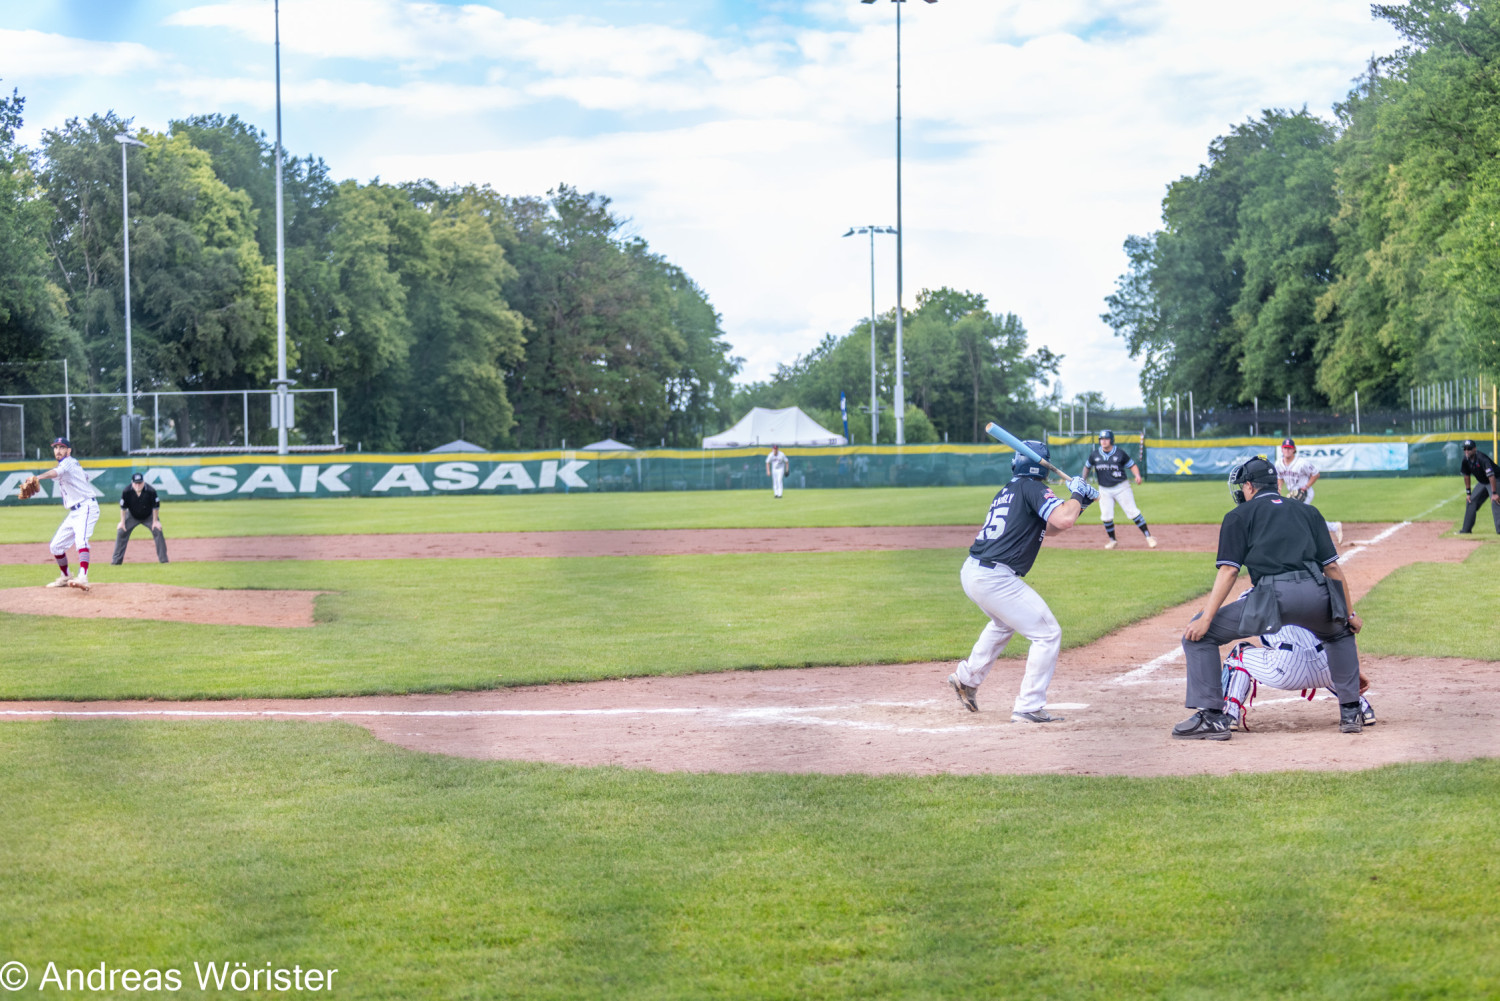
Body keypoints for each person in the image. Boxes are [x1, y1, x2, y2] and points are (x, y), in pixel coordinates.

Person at [1174, 454, 1365, 740]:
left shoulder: (1238, 515)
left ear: (1249, 487)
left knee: (1200, 634)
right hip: (1315, 593)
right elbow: (1333, 568)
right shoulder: (1307, 511)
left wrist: (1206, 619)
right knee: (1340, 634)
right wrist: (1348, 615)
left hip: (1270, 599)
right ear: (1275, 484)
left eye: (1243, 486)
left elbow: (1228, 571)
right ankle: (1351, 712)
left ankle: (1213, 717)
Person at [948, 441, 1099, 722]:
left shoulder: (1011, 488)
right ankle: (1029, 706)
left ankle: (966, 679)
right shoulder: (1033, 487)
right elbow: (1064, 521)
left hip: (976, 571)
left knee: (1004, 624)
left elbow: (1051, 527)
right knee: (1048, 633)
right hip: (994, 577)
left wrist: (1082, 504)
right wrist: (1077, 492)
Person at [1220, 621, 1375, 731]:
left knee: (1240, 651)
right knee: (1329, 651)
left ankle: (1229, 714)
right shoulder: (1318, 590)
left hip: (1284, 672)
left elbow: (1227, 624)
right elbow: (1346, 631)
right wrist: (1353, 668)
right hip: (1326, 669)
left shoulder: (1256, 594)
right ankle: (1359, 706)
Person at [33, 436, 99, 591]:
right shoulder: (68, 465)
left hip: (86, 507)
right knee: (56, 546)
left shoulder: (68, 462)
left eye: (62, 447)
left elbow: (56, 472)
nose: (58, 450)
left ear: (69, 450)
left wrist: (38, 477)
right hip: (75, 512)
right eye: (56, 447)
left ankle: (83, 576)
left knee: (81, 541)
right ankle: (66, 576)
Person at [1080, 428, 1156, 549]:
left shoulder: (1120, 453)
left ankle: (1149, 537)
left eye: (1106, 439)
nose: (1103, 441)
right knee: (1106, 515)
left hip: (1121, 487)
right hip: (1104, 489)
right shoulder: (1095, 455)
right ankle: (1112, 540)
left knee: (1132, 512)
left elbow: (1132, 465)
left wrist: (1137, 475)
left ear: (1111, 440)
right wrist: (1083, 480)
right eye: (1101, 439)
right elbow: (1087, 467)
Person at [1274, 438, 1344, 546]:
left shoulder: (1302, 463)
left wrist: (1306, 486)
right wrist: (1279, 488)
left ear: (1294, 450)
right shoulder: (1278, 463)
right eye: (1285, 448)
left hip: (1305, 494)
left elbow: (1316, 474)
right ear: (1282, 450)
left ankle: (1308, 540)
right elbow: (1280, 477)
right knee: (1303, 517)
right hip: (1293, 494)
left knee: (1295, 515)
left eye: (1289, 448)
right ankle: (1333, 527)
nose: (1287, 450)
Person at [112, 472, 169, 564]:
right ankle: (116, 562)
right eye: (136, 483)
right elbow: (123, 508)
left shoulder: (151, 491)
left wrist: (155, 521)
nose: (138, 485)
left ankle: (164, 561)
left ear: (143, 482)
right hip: (132, 516)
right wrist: (122, 522)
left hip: (149, 516)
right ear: (132, 483)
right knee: (121, 531)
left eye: (140, 483)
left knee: (158, 530)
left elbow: (155, 507)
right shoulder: (126, 491)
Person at [1458, 438, 1500, 535]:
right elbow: (1466, 475)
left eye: (1469, 448)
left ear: (1474, 449)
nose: (1466, 451)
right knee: (1471, 500)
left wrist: (1494, 493)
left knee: (1496, 501)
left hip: (1496, 479)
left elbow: (1491, 476)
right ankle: (1466, 529)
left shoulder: (1482, 458)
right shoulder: (1465, 460)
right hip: (1483, 481)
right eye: (1465, 449)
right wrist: (1468, 493)